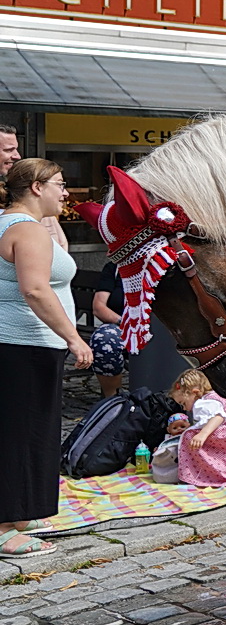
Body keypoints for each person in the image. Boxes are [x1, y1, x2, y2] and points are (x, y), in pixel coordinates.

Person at [1, 159, 93, 557]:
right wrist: (74, 338)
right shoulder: (26, 230)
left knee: (29, 431)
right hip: (24, 344)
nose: (66, 192)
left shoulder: (15, 224)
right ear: (36, 187)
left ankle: (22, 512)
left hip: (21, 345)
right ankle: (5, 527)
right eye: (59, 183)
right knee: (17, 435)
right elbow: (36, 290)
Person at [90, 260, 127, 398]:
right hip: (121, 325)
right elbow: (99, 307)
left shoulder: (165, 264)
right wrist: (125, 323)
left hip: (161, 329)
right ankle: (112, 400)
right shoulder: (115, 267)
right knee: (104, 339)